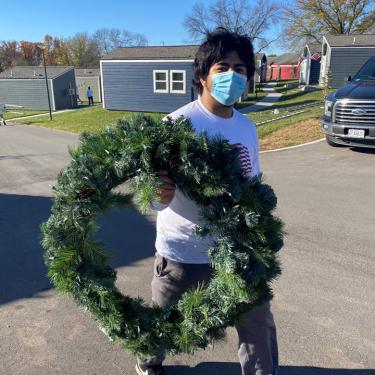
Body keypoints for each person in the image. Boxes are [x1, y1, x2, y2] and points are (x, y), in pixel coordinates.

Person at [136, 28, 278, 375]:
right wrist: (158, 195)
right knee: (162, 318)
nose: (233, 75)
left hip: (238, 250)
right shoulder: (178, 125)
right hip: (183, 253)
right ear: (202, 76)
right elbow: (153, 196)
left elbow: (252, 185)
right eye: (222, 67)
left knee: (257, 321)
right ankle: (148, 361)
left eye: (241, 68)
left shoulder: (247, 128)